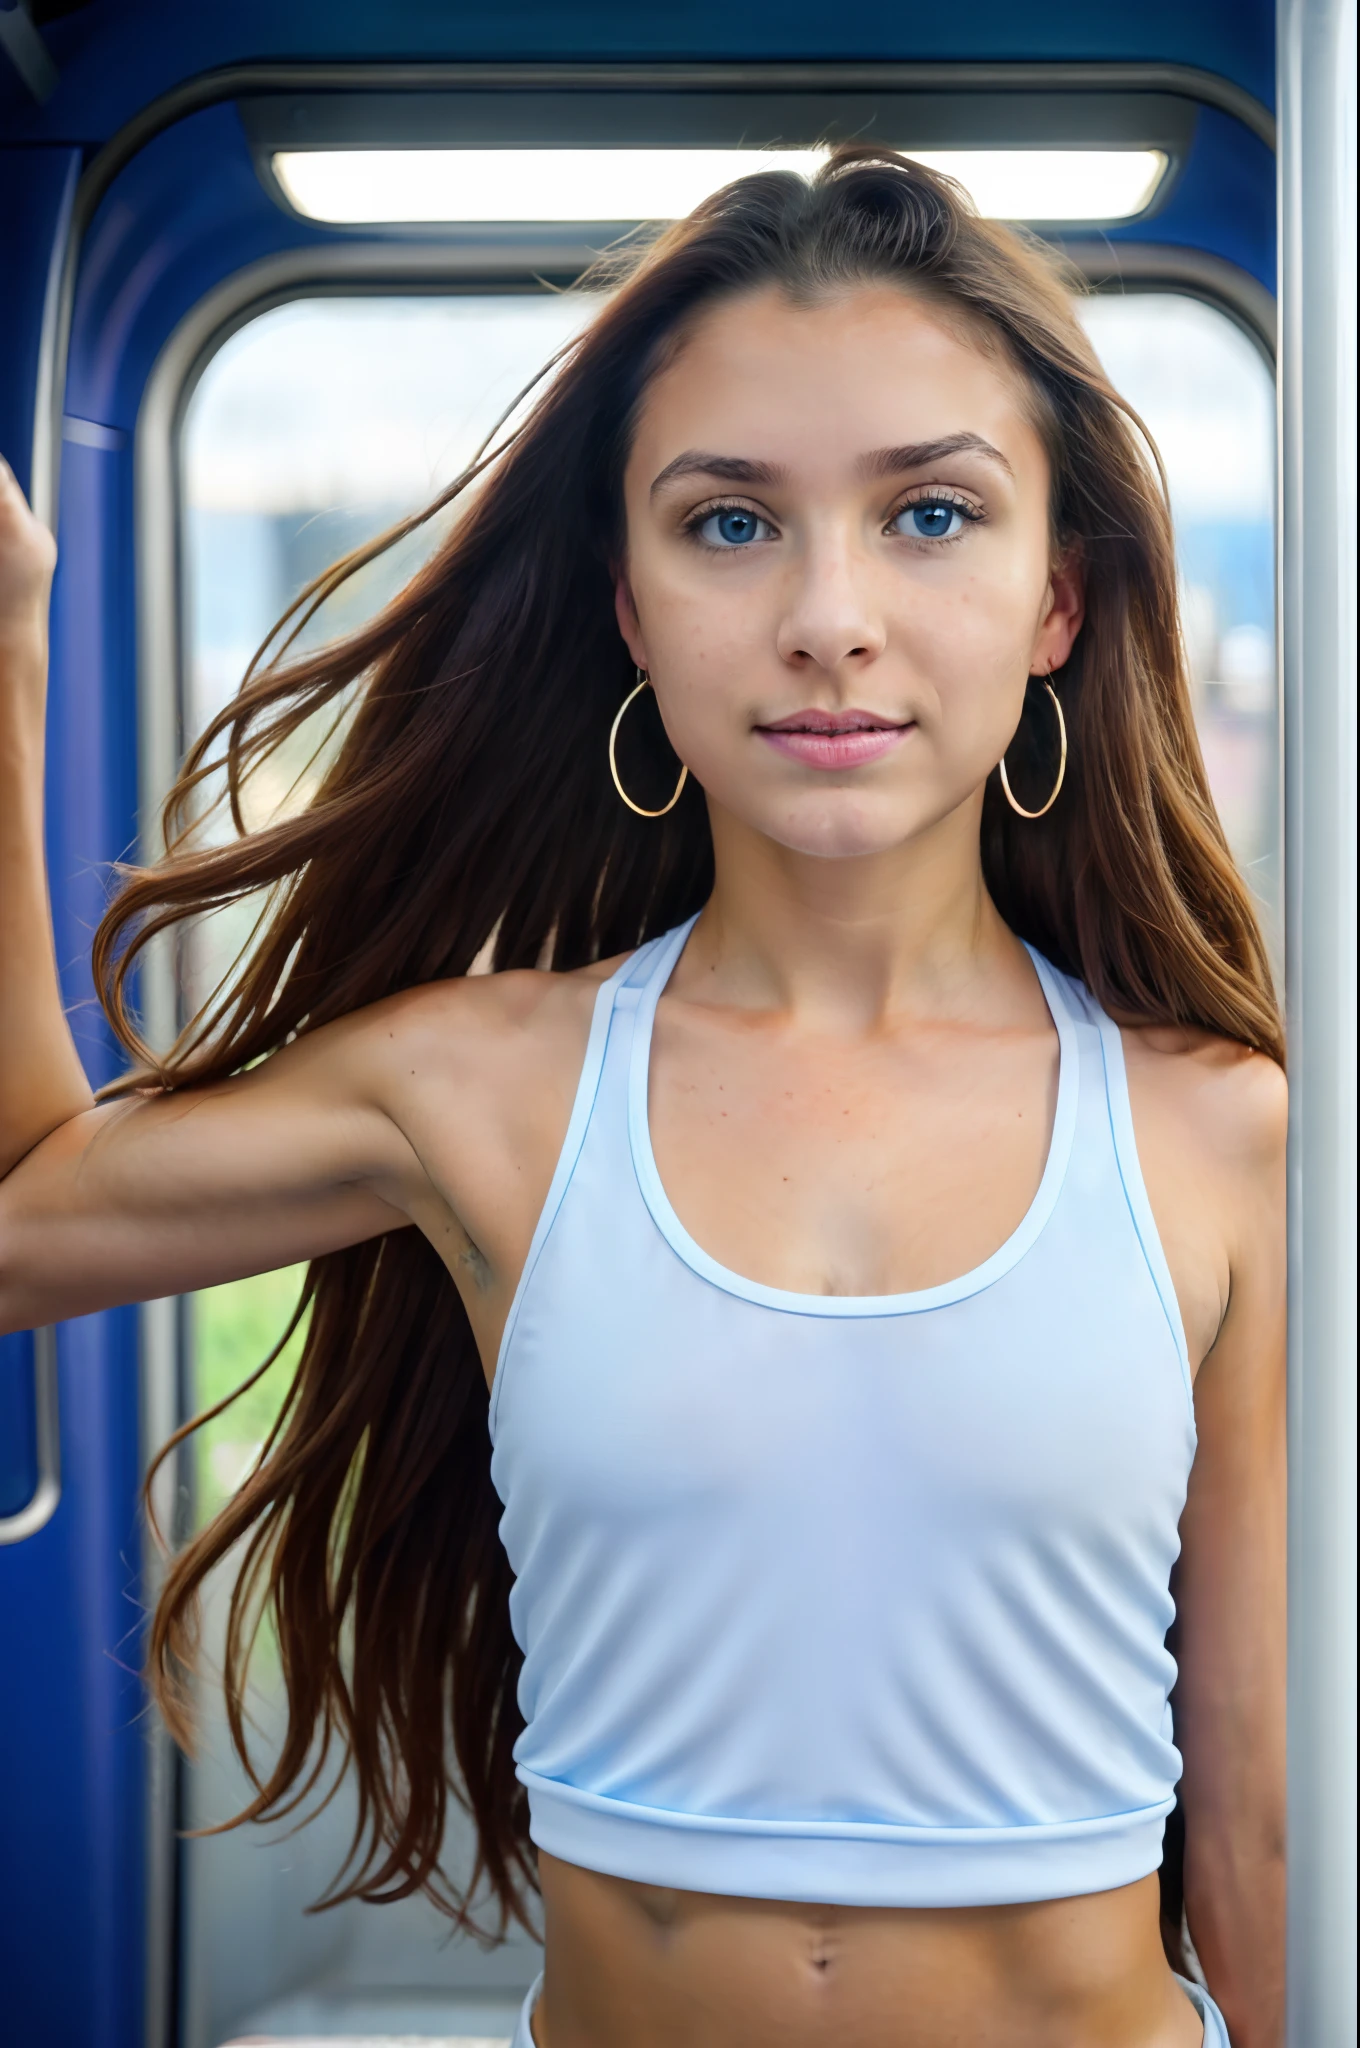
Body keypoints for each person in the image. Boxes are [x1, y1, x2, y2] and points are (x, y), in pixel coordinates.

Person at [0, 152, 1284, 2048]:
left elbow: (1257, 1827)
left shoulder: (1225, 1133)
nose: (832, 617)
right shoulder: (483, 1088)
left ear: (1057, 605)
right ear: (626, 601)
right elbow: (25, 1225)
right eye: (732, 525)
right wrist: (9, 646)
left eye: (932, 513)